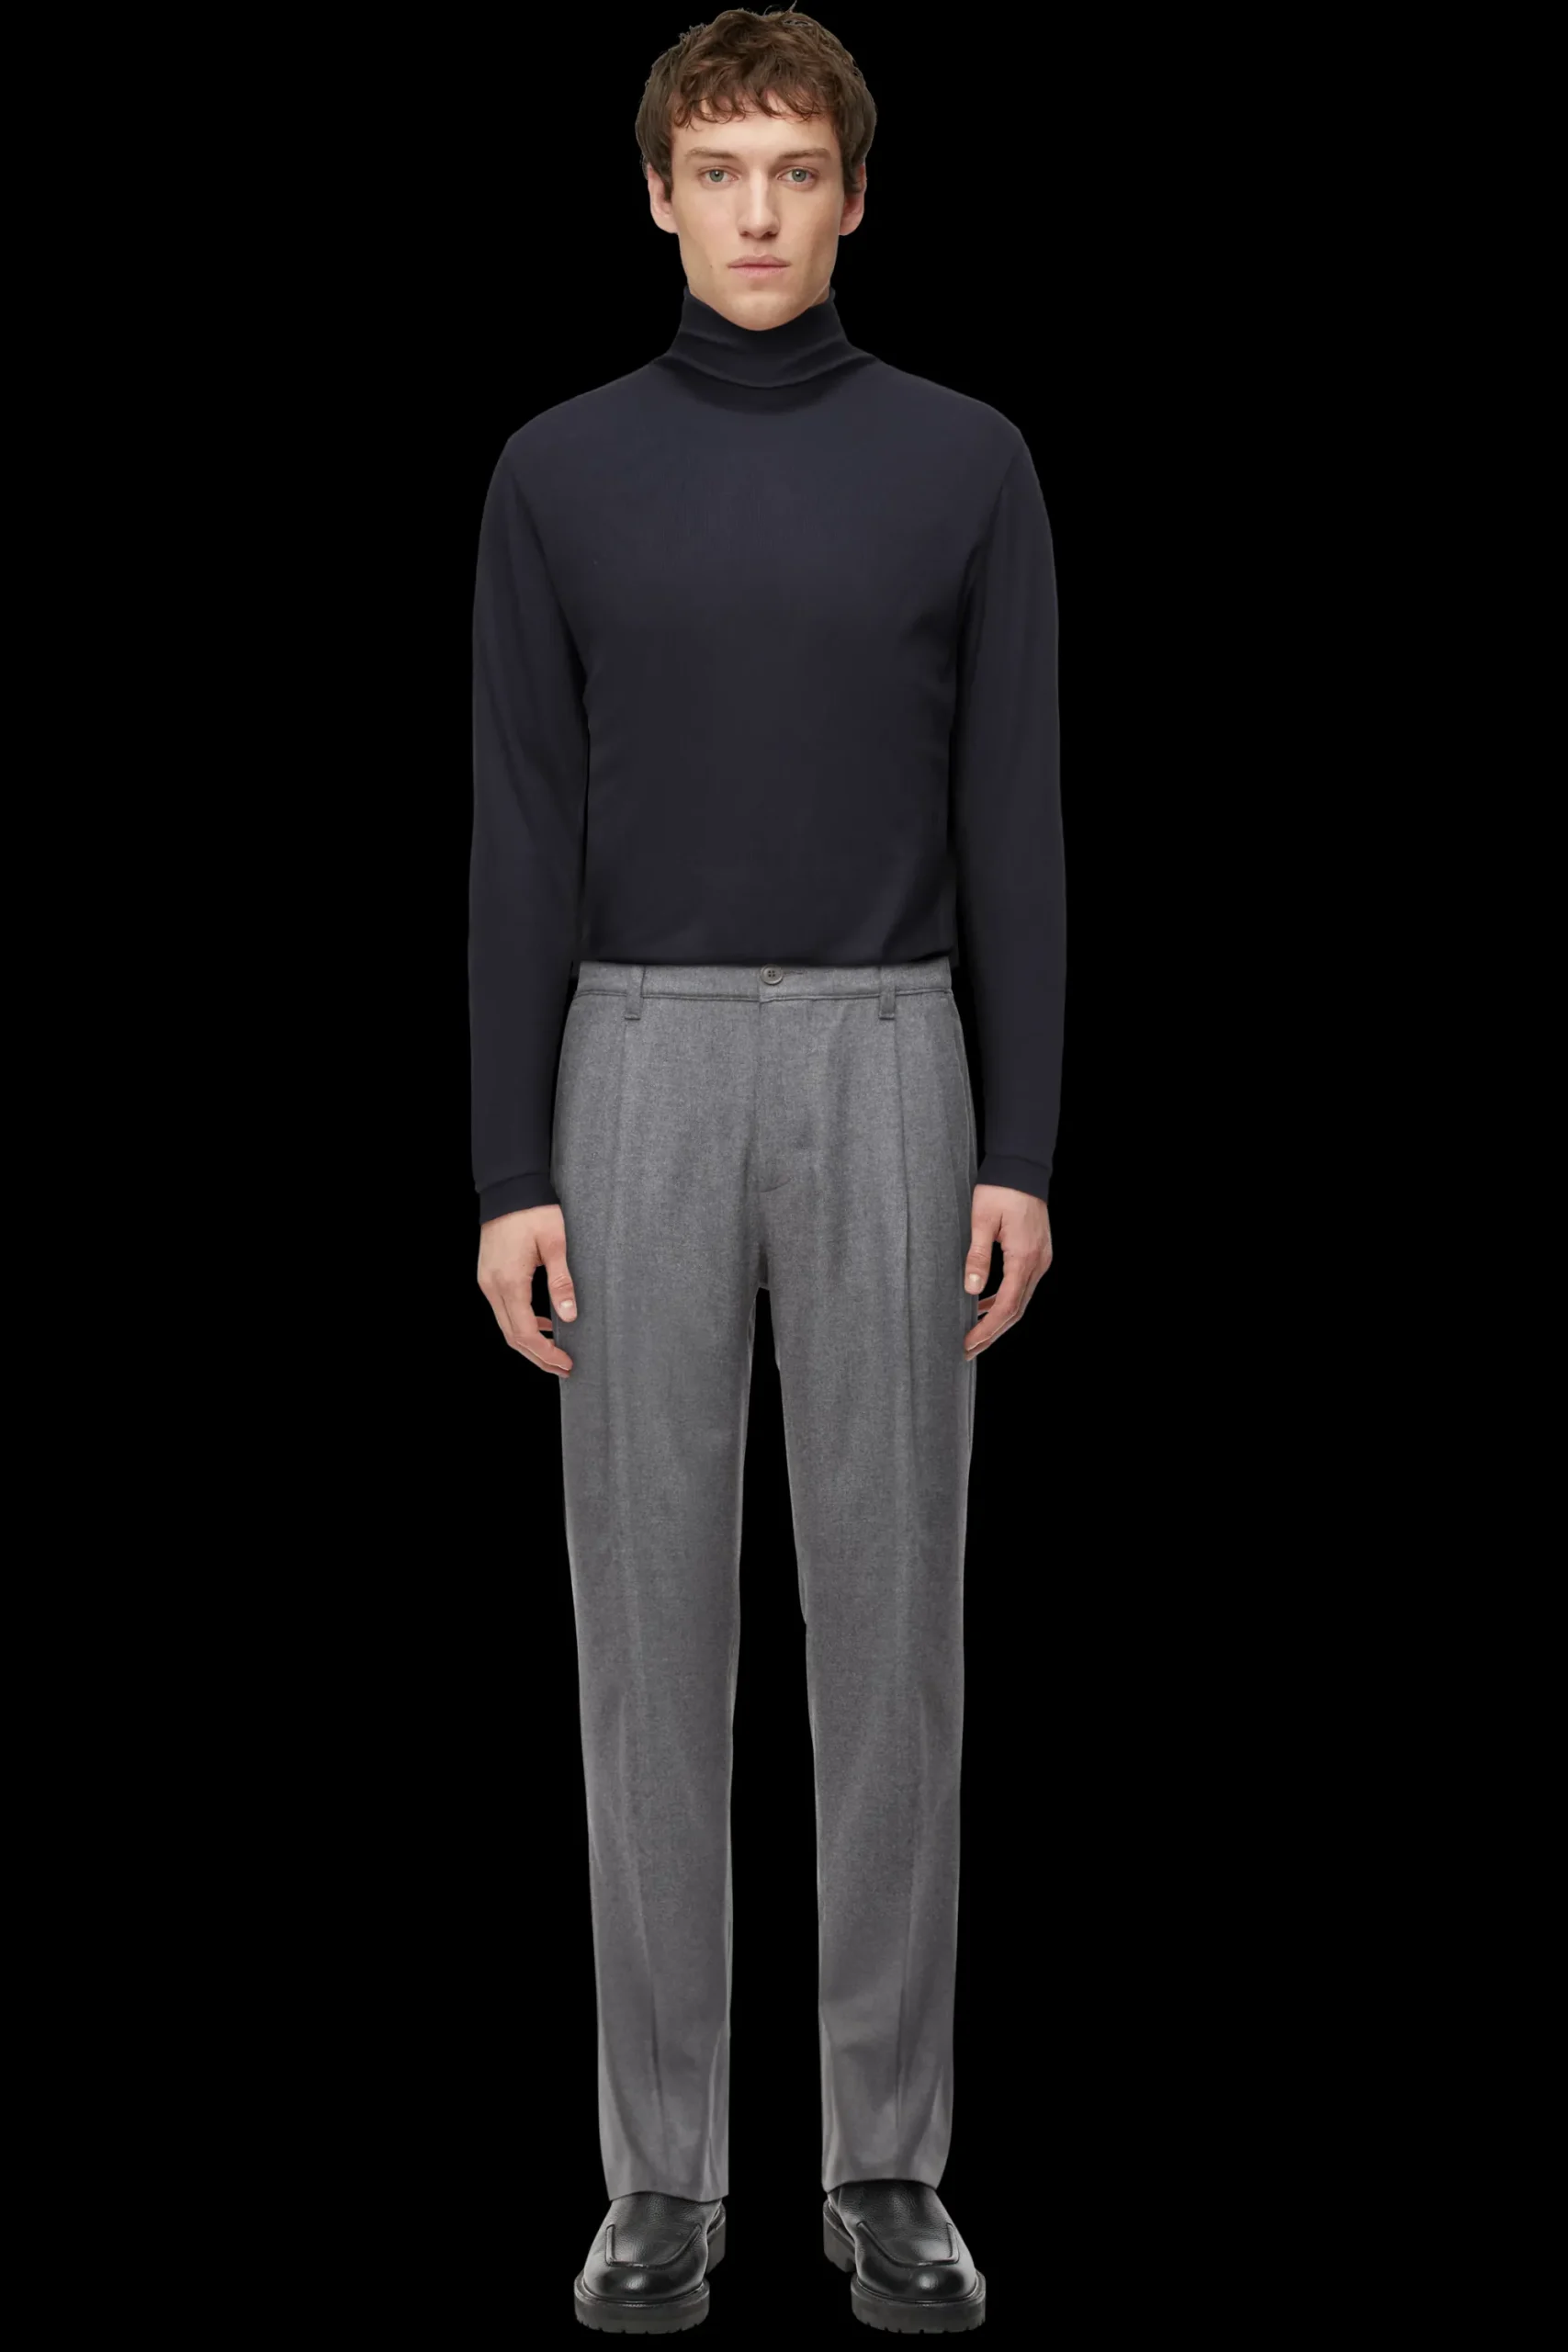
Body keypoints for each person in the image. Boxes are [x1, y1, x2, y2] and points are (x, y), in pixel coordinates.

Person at [469, 8, 1063, 2333]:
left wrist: (1018, 1136)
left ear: (852, 198)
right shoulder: (555, 473)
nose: (753, 210)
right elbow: (518, 821)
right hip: (630, 1054)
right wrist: (506, 1159)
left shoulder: (967, 464)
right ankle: (661, 2173)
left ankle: (888, 2157)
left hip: (892, 1048)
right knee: (644, 1631)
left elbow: (1015, 811)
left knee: (894, 1625)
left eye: (793, 170)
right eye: (714, 169)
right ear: (652, 195)